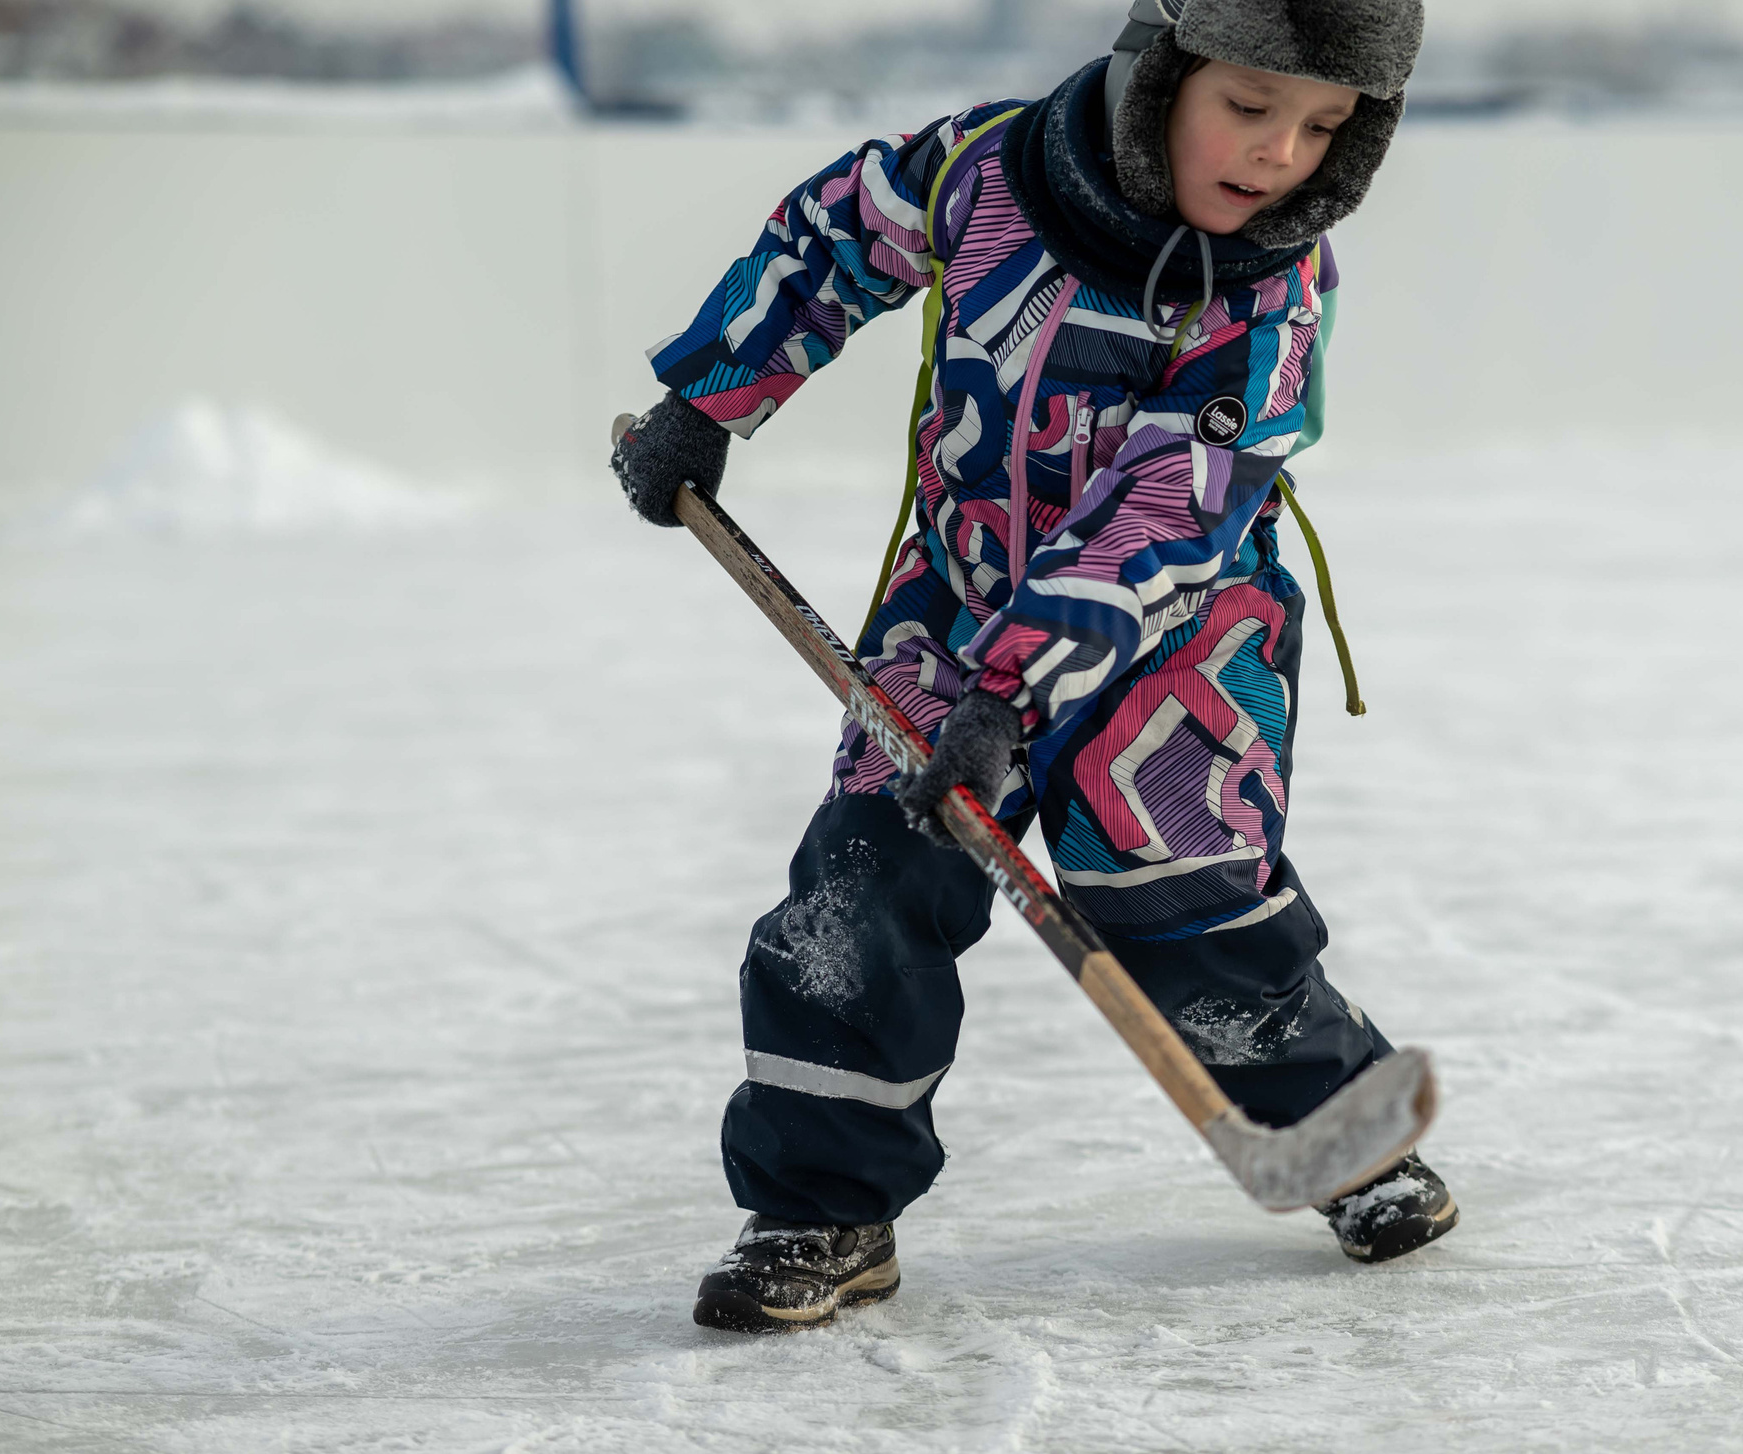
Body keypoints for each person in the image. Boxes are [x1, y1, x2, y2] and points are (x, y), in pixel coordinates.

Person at [612, 0, 1457, 1334]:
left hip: (1175, 642)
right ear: (1160, 71)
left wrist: (1013, 694)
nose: (1280, 154)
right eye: (1248, 106)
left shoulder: (1270, 300)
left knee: (1187, 913)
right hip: (954, 612)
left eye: (1323, 126)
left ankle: (1346, 1138)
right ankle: (821, 1208)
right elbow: (832, 238)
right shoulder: (984, 173)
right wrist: (708, 396)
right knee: (862, 891)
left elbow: (1165, 515)